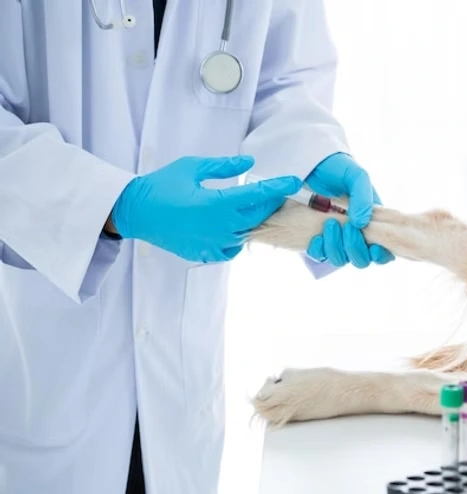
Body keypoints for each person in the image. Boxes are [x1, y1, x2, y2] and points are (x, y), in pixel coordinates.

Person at [0, 2, 394, 493]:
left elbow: (285, 79)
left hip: (179, 387)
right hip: (45, 368)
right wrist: (112, 205)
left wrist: (312, 155)